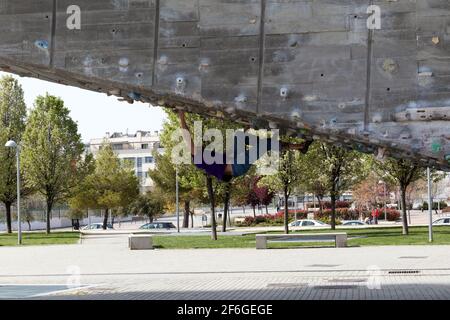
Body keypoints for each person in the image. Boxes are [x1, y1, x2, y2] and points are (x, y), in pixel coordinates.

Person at [178, 111, 312, 182]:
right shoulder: (198, 158)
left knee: (238, 136)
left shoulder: (207, 157)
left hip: (234, 160)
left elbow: (229, 154)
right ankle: (300, 147)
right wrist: (181, 116)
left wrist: (244, 133)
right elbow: (186, 135)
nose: (201, 146)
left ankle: (257, 133)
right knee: (266, 144)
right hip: (238, 167)